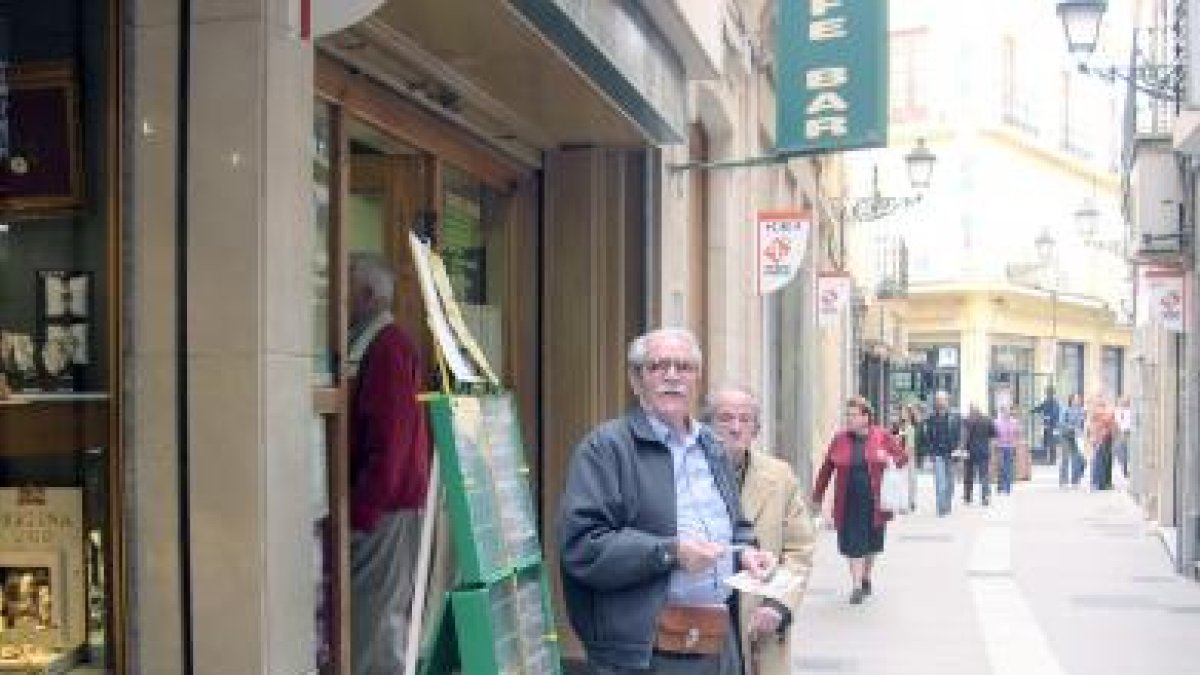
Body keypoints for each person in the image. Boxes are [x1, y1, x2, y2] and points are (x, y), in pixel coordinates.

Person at [558, 328, 776, 674]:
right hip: (644, 653)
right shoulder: (607, 448)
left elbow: (737, 526)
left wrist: (747, 551)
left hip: (717, 645)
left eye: (684, 367)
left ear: (697, 379)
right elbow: (582, 547)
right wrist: (670, 553)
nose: (672, 376)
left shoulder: (712, 446)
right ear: (636, 379)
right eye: (658, 366)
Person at [346, 252, 430, 675]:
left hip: (387, 512)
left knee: (376, 629)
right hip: (387, 509)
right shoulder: (378, 344)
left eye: (344, 285)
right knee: (376, 624)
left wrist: (361, 513)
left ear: (366, 295)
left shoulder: (387, 347)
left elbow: (391, 441)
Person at [706, 386, 817, 675]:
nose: (735, 428)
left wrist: (778, 606)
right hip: (703, 621)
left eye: (745, 420)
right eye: (725, 418)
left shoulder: (780, 477)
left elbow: (799, 550)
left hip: (759, 623)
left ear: (756, 429)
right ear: (706, 425)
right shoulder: (688, 475)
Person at [811, 396, 907, 604]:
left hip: (875, 502)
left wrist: (888, 458)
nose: (849, 419)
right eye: (847, 415)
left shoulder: (881, 435)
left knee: (871, 545)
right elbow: (827, 468)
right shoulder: (839, 439)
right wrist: (818, 495)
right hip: (848, 502)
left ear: (866, 417)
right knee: (854, 545)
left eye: (853, 415)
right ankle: (856, 586)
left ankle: (865, 577)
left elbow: (902, 457)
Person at [919, 391, 961, 516]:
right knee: (940, 482)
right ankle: (941, 508)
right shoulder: (931, 418)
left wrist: (959, 449)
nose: (940, 402)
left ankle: (947, 504)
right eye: (938, 400)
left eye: (943, 400)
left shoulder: (955, 417)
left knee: (951, 483)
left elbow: (960, 435)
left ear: (947, 401)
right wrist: (929, 451)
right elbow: (927, 436)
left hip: (951, 453)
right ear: (936, 402)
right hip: (937, 453)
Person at [961, 403, 996, 506]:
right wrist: (991, 449)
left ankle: (968, 497)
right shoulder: (988, 420)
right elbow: (993, 435)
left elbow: (963, 437)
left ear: (971, 410)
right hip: (983, 451)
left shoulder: (966, 421)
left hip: (970, 452)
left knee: (968, 475)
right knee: (984, 475)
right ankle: (985, 496)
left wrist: (962, 449)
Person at [993, 405, 1022, 495]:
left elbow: (1018, 433)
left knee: (1008, 467)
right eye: (1004, 411)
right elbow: (994, 434)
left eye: (1007, 411)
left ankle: (1007, 487)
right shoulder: (997, 422)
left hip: (1010, 447)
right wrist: (995, 443)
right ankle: (1000, 486)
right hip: (1000, 447)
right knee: (1001, 467)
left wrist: (1016, 444)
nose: (1006, 413)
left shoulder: (1014, 422)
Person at [1089, 395, 1117, 491]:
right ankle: (1100, 483)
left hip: (1104, 438)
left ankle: (1103, 483)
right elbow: (1110, 421)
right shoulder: (1102, 412)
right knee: (1101, 461)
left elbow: (1111, 422)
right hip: (1102, 438)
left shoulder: (1099, 413)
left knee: (1104, 461)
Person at [1060, 393, 1087, 488]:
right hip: (1066, 436)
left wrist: (1082, 432)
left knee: (1078, 458)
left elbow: (1084, 423)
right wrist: (1072, 428)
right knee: (1065, 458)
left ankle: (1075, 480)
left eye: (1079, 399)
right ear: (1071, 400)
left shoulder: (1082, 410)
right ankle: (1064, 481)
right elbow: (1062, 423)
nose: (1077, 401)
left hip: (1077, 436)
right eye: (1075, 399)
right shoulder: (1065, 410)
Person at [1031, 386, 1062, 465]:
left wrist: (1047, 417)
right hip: (1047, 426)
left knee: (1052, 443)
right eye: (1047, 393)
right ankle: (1049, 459)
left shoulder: (1055, 403)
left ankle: (1052, 460)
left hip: (1053, 426)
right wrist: (1032, 411)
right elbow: (1040, 408)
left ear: (1052, 394)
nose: (1047, 395)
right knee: (1047, 442)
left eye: (1048, 393)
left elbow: (1054, 414)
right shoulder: (1046, 402)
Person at [1114, 395, 1133, 479]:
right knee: (1122, 451)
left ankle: (1128, 469)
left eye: (1126, 401)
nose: (1125, 403)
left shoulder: (1131, 411)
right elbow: (1117, 422)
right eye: (1123, 401)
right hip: (1122, 433)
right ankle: (1124, 469)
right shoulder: (1118, 411)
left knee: (1129, 451)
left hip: (1130, 433)